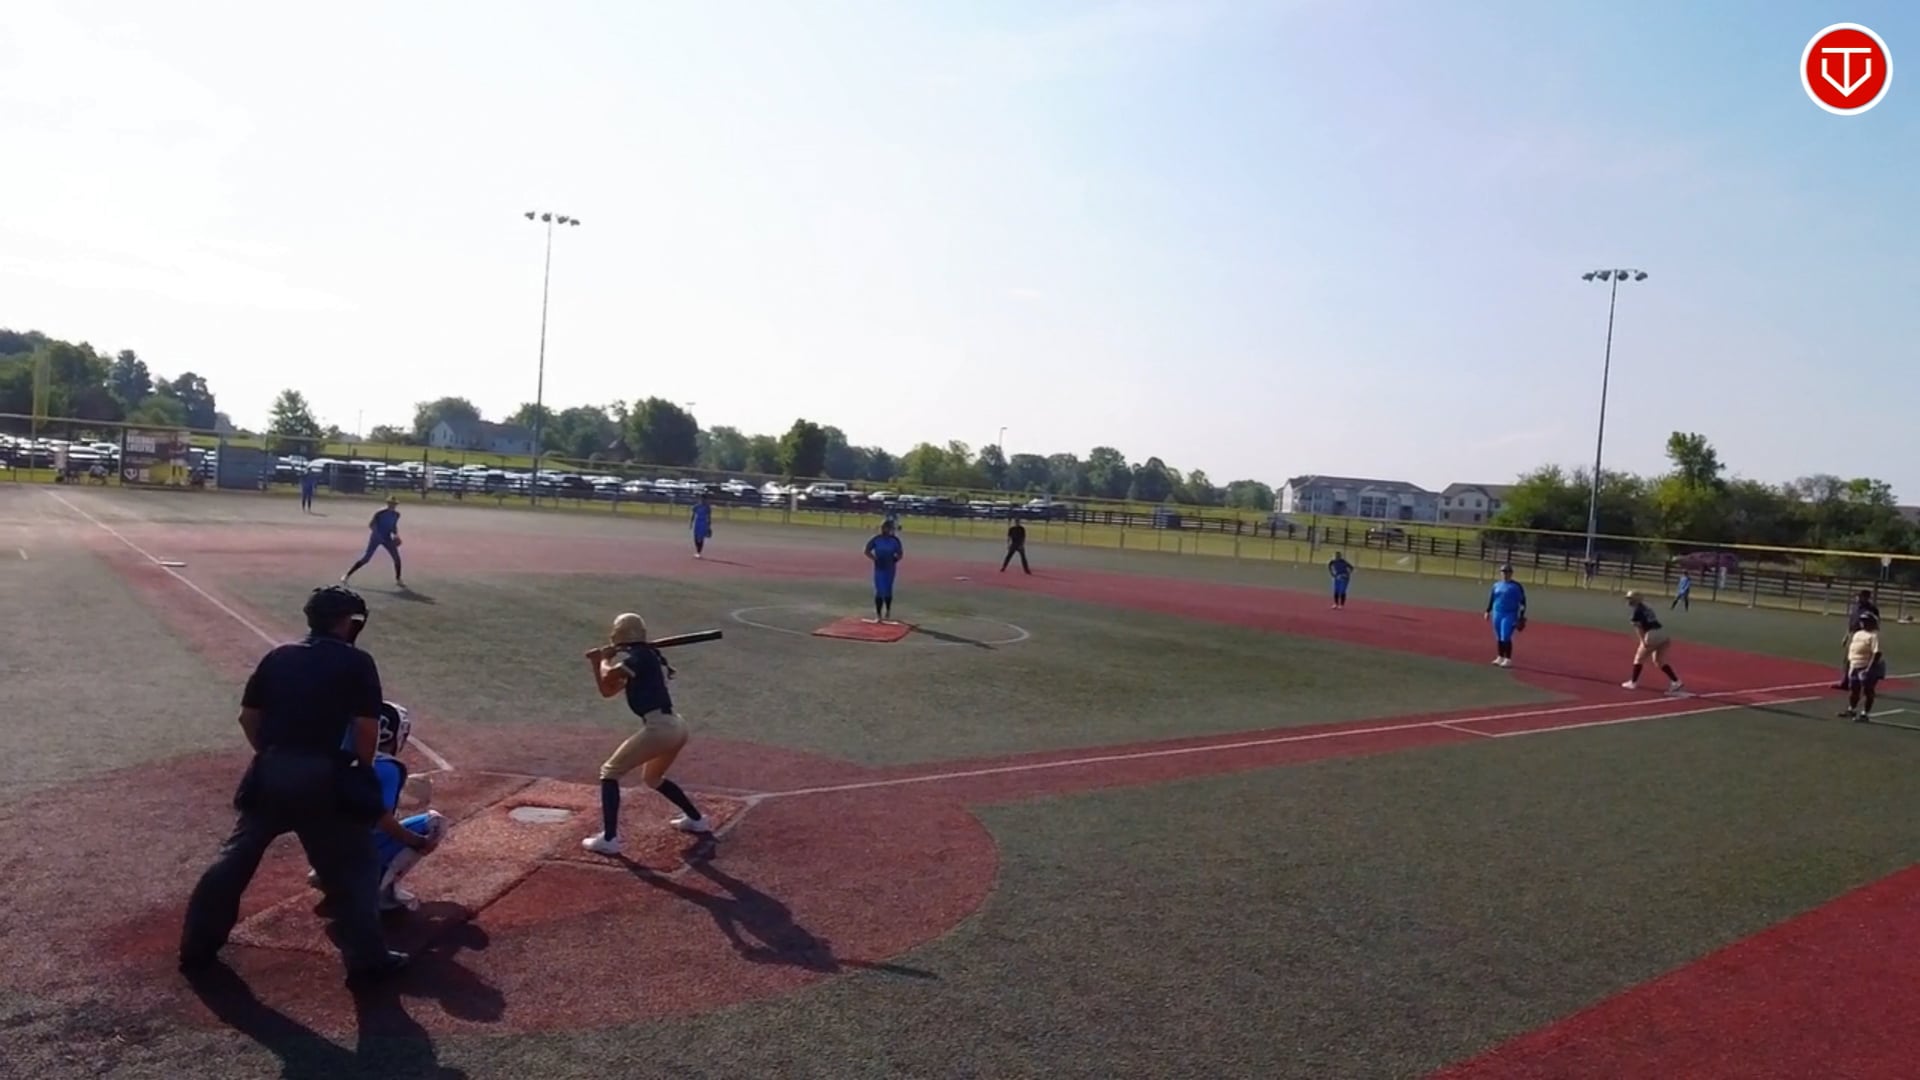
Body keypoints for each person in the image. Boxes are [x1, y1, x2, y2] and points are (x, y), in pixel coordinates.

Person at [178, 585, 408, 985]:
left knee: (234, 859)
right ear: (347, 623)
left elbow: (248, 717)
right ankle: (368, 963)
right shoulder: (356, 662)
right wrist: (361, 770)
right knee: (355, 866)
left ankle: (197, 948)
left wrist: (271, 754)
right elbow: (366, 728)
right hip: (325, 777)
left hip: (271, 771)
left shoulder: (279, 656)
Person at [580, 613, 711, 856]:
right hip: (676, 726)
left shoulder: (639, 658)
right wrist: (599, 663)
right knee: (653, 778)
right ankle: (697, 819)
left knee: (609, 773)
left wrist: (603, 659)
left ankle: (609, 839)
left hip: (660, 728)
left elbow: (609, 676)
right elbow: (607, 690)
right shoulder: (647, 657)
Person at [306, 701, 445, 911]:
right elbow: (380, 819)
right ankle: (376, 892)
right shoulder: (389, 768)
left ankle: (330, 878)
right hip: (354, 857)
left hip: (320, 853)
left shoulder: (338, 757)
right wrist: (417, 841)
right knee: (435, 823)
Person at [1622, 590, 1684, 693]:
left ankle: (1633, 682)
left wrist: (1643, 641)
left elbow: (1639, 628)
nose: (1629, 601)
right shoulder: (1646, 607)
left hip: (1652, 634)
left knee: (1639, 659)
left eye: (1631, 599)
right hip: (1662, 633)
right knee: (1659, 661)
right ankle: (1676, 681)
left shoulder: (1636, 610)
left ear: (1636, 599)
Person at [343, 496, 404, 588]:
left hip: (387, 538)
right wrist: (377, 534)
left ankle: (398, 579)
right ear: (388, 503)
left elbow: (393, 526)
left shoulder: (397, 515)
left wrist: (396, 535)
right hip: (376, 538)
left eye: (394, 504)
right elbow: (371, 525)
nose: (392, 505)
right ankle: (347, 575)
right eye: (391, 503)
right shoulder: (380, 513)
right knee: (366, 558)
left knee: (397, 558)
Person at [1841, 611, 1886, 721]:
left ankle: (1865, 714)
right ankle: (1851, 709)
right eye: (1862, 621)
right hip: (1854, 665)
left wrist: (1869, 669)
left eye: (1866, 621)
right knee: (1854, 689)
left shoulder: (1874, 636)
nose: (1863, 623)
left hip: (1866, 666)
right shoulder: (1858, 633)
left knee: (1868, 690)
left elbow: (1877, 653)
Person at [1835, 589, 1880, 690]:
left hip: (1865, 635)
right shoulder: (1855, 607)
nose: (1858, 598)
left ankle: (1865, 685)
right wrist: (1846, 636)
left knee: (1864, 661)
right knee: (1849, 659)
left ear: (1866, 597)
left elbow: (1876, 624)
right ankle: (1846, 682)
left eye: (1860, 596)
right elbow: (1851, 622)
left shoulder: (1872, 609)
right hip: (1854, 635)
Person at [1484, 564, 1527, 667]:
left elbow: (1523, 602)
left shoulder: (1516, 586)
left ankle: (1508, 659)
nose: (1505, 574)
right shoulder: (1496, 585)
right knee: (1498, 636)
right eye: (1503, 572)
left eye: (1507, 572)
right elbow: (1492, 598)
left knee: (1506, 636)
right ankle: (1500, 657)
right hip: (1497, 613)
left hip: (1509, 614)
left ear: (1511, 573)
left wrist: (1521, 616)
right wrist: (1488, 611)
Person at [865, 519, 904, 623]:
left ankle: (888, 610)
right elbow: (867, 550)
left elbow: (900, 554)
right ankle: (878, 615)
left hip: (890, 568)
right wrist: (875, 559)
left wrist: (894, 560)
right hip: (879, 568)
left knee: (888, 589)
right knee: (879, 590)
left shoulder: (894, 540)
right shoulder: (876, 539)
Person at [691, 494, 713, 559]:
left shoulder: (707, 507)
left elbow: (709, 517)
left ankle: (698, 552)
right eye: (701, 498)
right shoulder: (696, 506)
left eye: (704, 499)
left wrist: (709, 526)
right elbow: (693, 515)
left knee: (701, 538)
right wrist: (691, 523)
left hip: (703, 523)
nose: (702, 500)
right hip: (697, 522)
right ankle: (697, 550)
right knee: (695, 537)